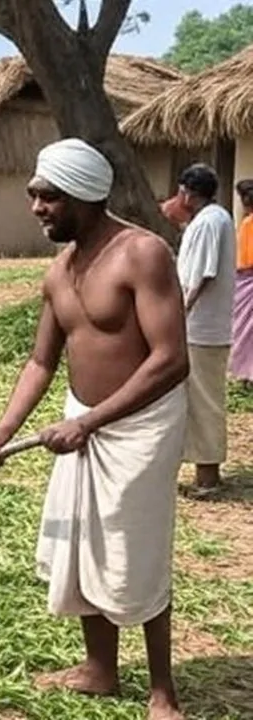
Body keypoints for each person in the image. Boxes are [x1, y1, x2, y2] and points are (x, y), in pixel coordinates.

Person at [0, 138, 190, 720]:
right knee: (85, 540)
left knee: (134, 548)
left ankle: (162, 689)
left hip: (139, 427)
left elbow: (170, 359)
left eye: (48, 196)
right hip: (82, 420)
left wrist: (90, 421)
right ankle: (100, 669)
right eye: (33, 194)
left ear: (86, 197)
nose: (36, 206)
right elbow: (40, 363)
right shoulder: (58, 272)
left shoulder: (142, 254)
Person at [173, 164, 236, 498]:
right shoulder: (212, 219)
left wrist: (182, 312)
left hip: (202, 329)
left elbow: (202, 275)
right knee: (194, 399)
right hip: (200, 327)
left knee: (205, 400)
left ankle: (208, 478)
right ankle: (200, 469)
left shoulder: (211, 220)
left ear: (186, 192)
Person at [230, 179, 253, 389]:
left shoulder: (248, 224)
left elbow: (245, 259)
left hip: (247, 280)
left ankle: (247, 373)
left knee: (244, 330)